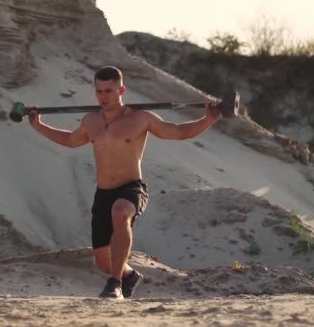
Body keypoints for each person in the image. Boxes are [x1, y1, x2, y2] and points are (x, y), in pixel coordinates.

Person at [28, 66, 221, 299]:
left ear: (121, 90)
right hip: (103, 193)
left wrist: (208, 119)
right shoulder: (91, 121)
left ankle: (115, 284)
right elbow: (70, 140)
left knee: (120, 212)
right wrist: (39, 125)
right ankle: (129, 275)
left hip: (131, 188)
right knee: (102, 262)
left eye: (109, 91)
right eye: (99, 91)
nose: (103, 97)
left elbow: (179, 132)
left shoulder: (140, 118)